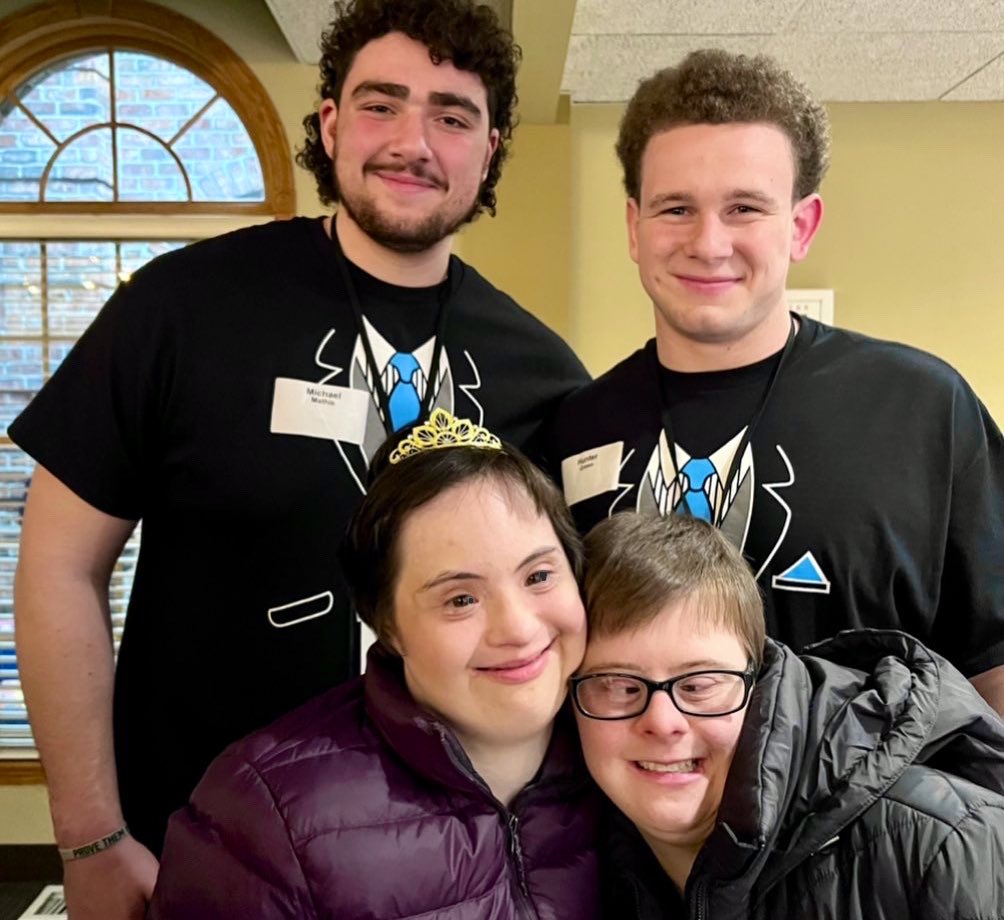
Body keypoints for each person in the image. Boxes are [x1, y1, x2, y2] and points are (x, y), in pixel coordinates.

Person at [10, 0, 588, 916]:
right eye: (381, 104)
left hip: (449, 874)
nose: (413, 141)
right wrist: (91, 836)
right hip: (196, 854)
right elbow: (55, 569)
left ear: (490, 148)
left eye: (452, 114)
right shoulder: (183, 309)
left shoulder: (544, 374)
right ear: (329, 124)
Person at [548, 49, 1004, 715]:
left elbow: (994, 658)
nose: (708, 242)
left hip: (874, 814)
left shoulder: (922, 409)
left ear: (800, 226)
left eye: (744, 209)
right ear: (633, 227)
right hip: (634, 810)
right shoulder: (576, 428)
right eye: (675, 208)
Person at [146, 409, 599, 919]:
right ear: (387, 626)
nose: (516, 628)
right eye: (460, 600)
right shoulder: (262, 814)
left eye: (538, 576)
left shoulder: (635, 754)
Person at [571, 511, 1004, 920]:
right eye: (619, 687)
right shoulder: (576, 869)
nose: (663, 722)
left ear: (757, 682)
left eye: (699, 685)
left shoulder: (950, 845)